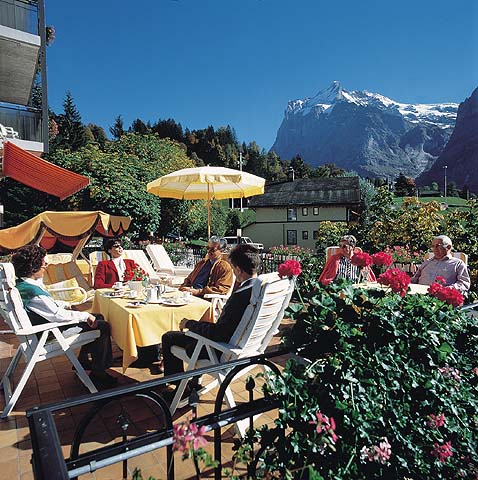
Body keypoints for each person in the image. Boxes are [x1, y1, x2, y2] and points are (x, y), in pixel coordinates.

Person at [11, 245, 117, 387]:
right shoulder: (33, 292)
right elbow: (57, 315)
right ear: (33, 267)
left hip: (42, 328)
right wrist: (84, 316)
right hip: (48, 333)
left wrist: (66, 304)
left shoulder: (23, 285)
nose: (46, 267)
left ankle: (84, 360)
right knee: (102, 326)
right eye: (44, 264)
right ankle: (99, 372)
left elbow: (48, 306)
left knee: (97, 316)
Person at [161, 244, 261, 380]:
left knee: (169, 337)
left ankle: (176, 384)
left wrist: (189, 323)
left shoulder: (239, 297)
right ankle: (194, 382)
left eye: (233, 268)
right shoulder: (258, 292)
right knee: (198, 330)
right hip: (248, 349)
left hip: (219, 350)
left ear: (238, 270)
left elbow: (218, 333)